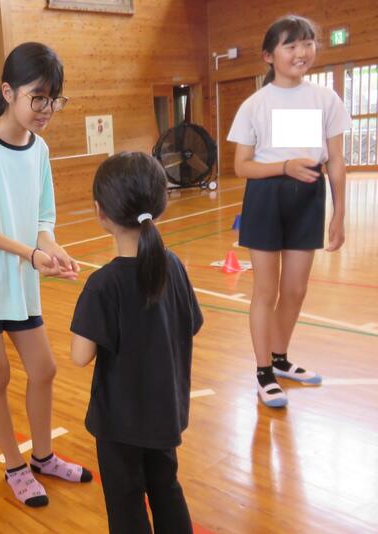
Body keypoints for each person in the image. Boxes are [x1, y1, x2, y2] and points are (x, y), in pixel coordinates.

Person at [0, 42, 91, 508]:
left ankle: (43, 457)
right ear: (8, 92)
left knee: (44, 368)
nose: (46, 109)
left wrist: (52, 249)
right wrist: (31, 254)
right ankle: (14, 467)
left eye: (53, 100)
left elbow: (43, 217)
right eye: (37, 97)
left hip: (20, 283)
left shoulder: (39, 150)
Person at [71, 152, 202, 534]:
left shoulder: (103, 284)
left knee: (126, 503)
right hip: (165, 412)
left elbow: (80, 355)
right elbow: (190, 325)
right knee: (167, 488)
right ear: (160, 203)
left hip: (120, 424)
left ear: (101, 212)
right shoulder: (173, 265)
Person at [227, 15, 351, 407]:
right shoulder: (255, 105)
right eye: (291, 45)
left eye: (308, 43)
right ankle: (264, 372)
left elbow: (335, 160)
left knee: (295, 289)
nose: (302, 52)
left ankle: (280, 359)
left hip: (309, 197)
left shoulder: (326, 99)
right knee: (266, 290)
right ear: (269, 55)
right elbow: (241, 166)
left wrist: (339, 214)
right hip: (266, 197)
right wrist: (283, 167)